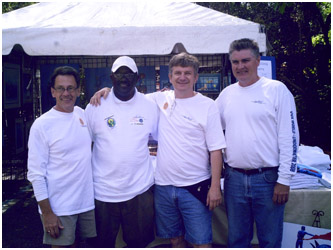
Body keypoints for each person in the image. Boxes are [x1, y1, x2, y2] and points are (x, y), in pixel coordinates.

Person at [91, 53, 226, 247]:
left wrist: (214, 187)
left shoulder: (208, 106)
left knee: (201, 242)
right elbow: (125, 94)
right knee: (174, 240)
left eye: (188, 73)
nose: (182, 77)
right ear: (170, 77)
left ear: (196, 77)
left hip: (195, 186)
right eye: (177, 73)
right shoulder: (156, 99)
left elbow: (216, 150)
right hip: (164, 187)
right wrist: (106, 91)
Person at [215, 38, 299, 247]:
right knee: (237, 240)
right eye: (235, 62)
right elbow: (208, 127)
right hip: (233, 179)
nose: (240, 66)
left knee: (269, 240)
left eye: (246, 60)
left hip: (268, 180)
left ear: (258, 61)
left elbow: (290, 137)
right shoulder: (226, 95)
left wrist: (285, 180)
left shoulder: (276, 90)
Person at [85, 56, 159, 247]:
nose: (124, 79)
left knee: (139, 244)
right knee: (101, 245)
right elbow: (85, 144)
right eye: (119, 74)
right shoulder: (95, 106)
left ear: (137, 78)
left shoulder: (150, 105)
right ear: (111, 78)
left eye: (128, 74)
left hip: (139, 191)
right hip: (102, 192)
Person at [27, 66, 96, 247]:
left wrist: (106, 91)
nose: (66, 93)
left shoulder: (82, 115)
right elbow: (35, 174)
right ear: (52, 92)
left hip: (87, 205)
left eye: (71, 88)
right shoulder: (42, 125)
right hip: (60, 209)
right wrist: (48, 213)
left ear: (78, 90)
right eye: (61, 88)